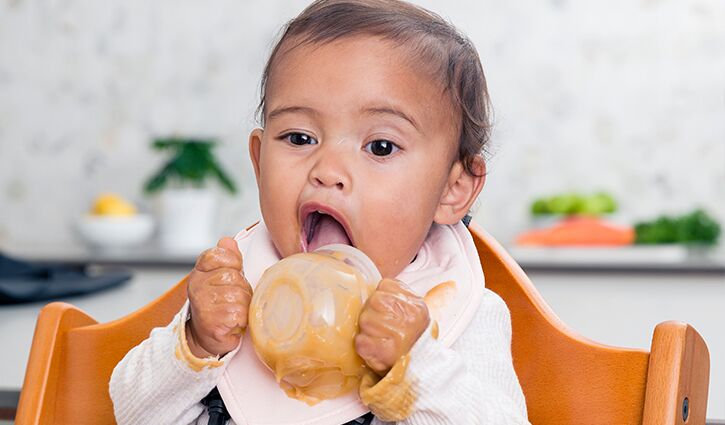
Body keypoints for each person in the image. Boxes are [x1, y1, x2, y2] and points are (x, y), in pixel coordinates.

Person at [110, 1, 530, 424]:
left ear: (452, 189)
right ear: (258, 162)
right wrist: (196, 345)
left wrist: (415, 366)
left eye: (380, 147)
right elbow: (130, 414)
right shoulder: (237, 288)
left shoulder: (457, 308)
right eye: (299, 137)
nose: (327, 171)